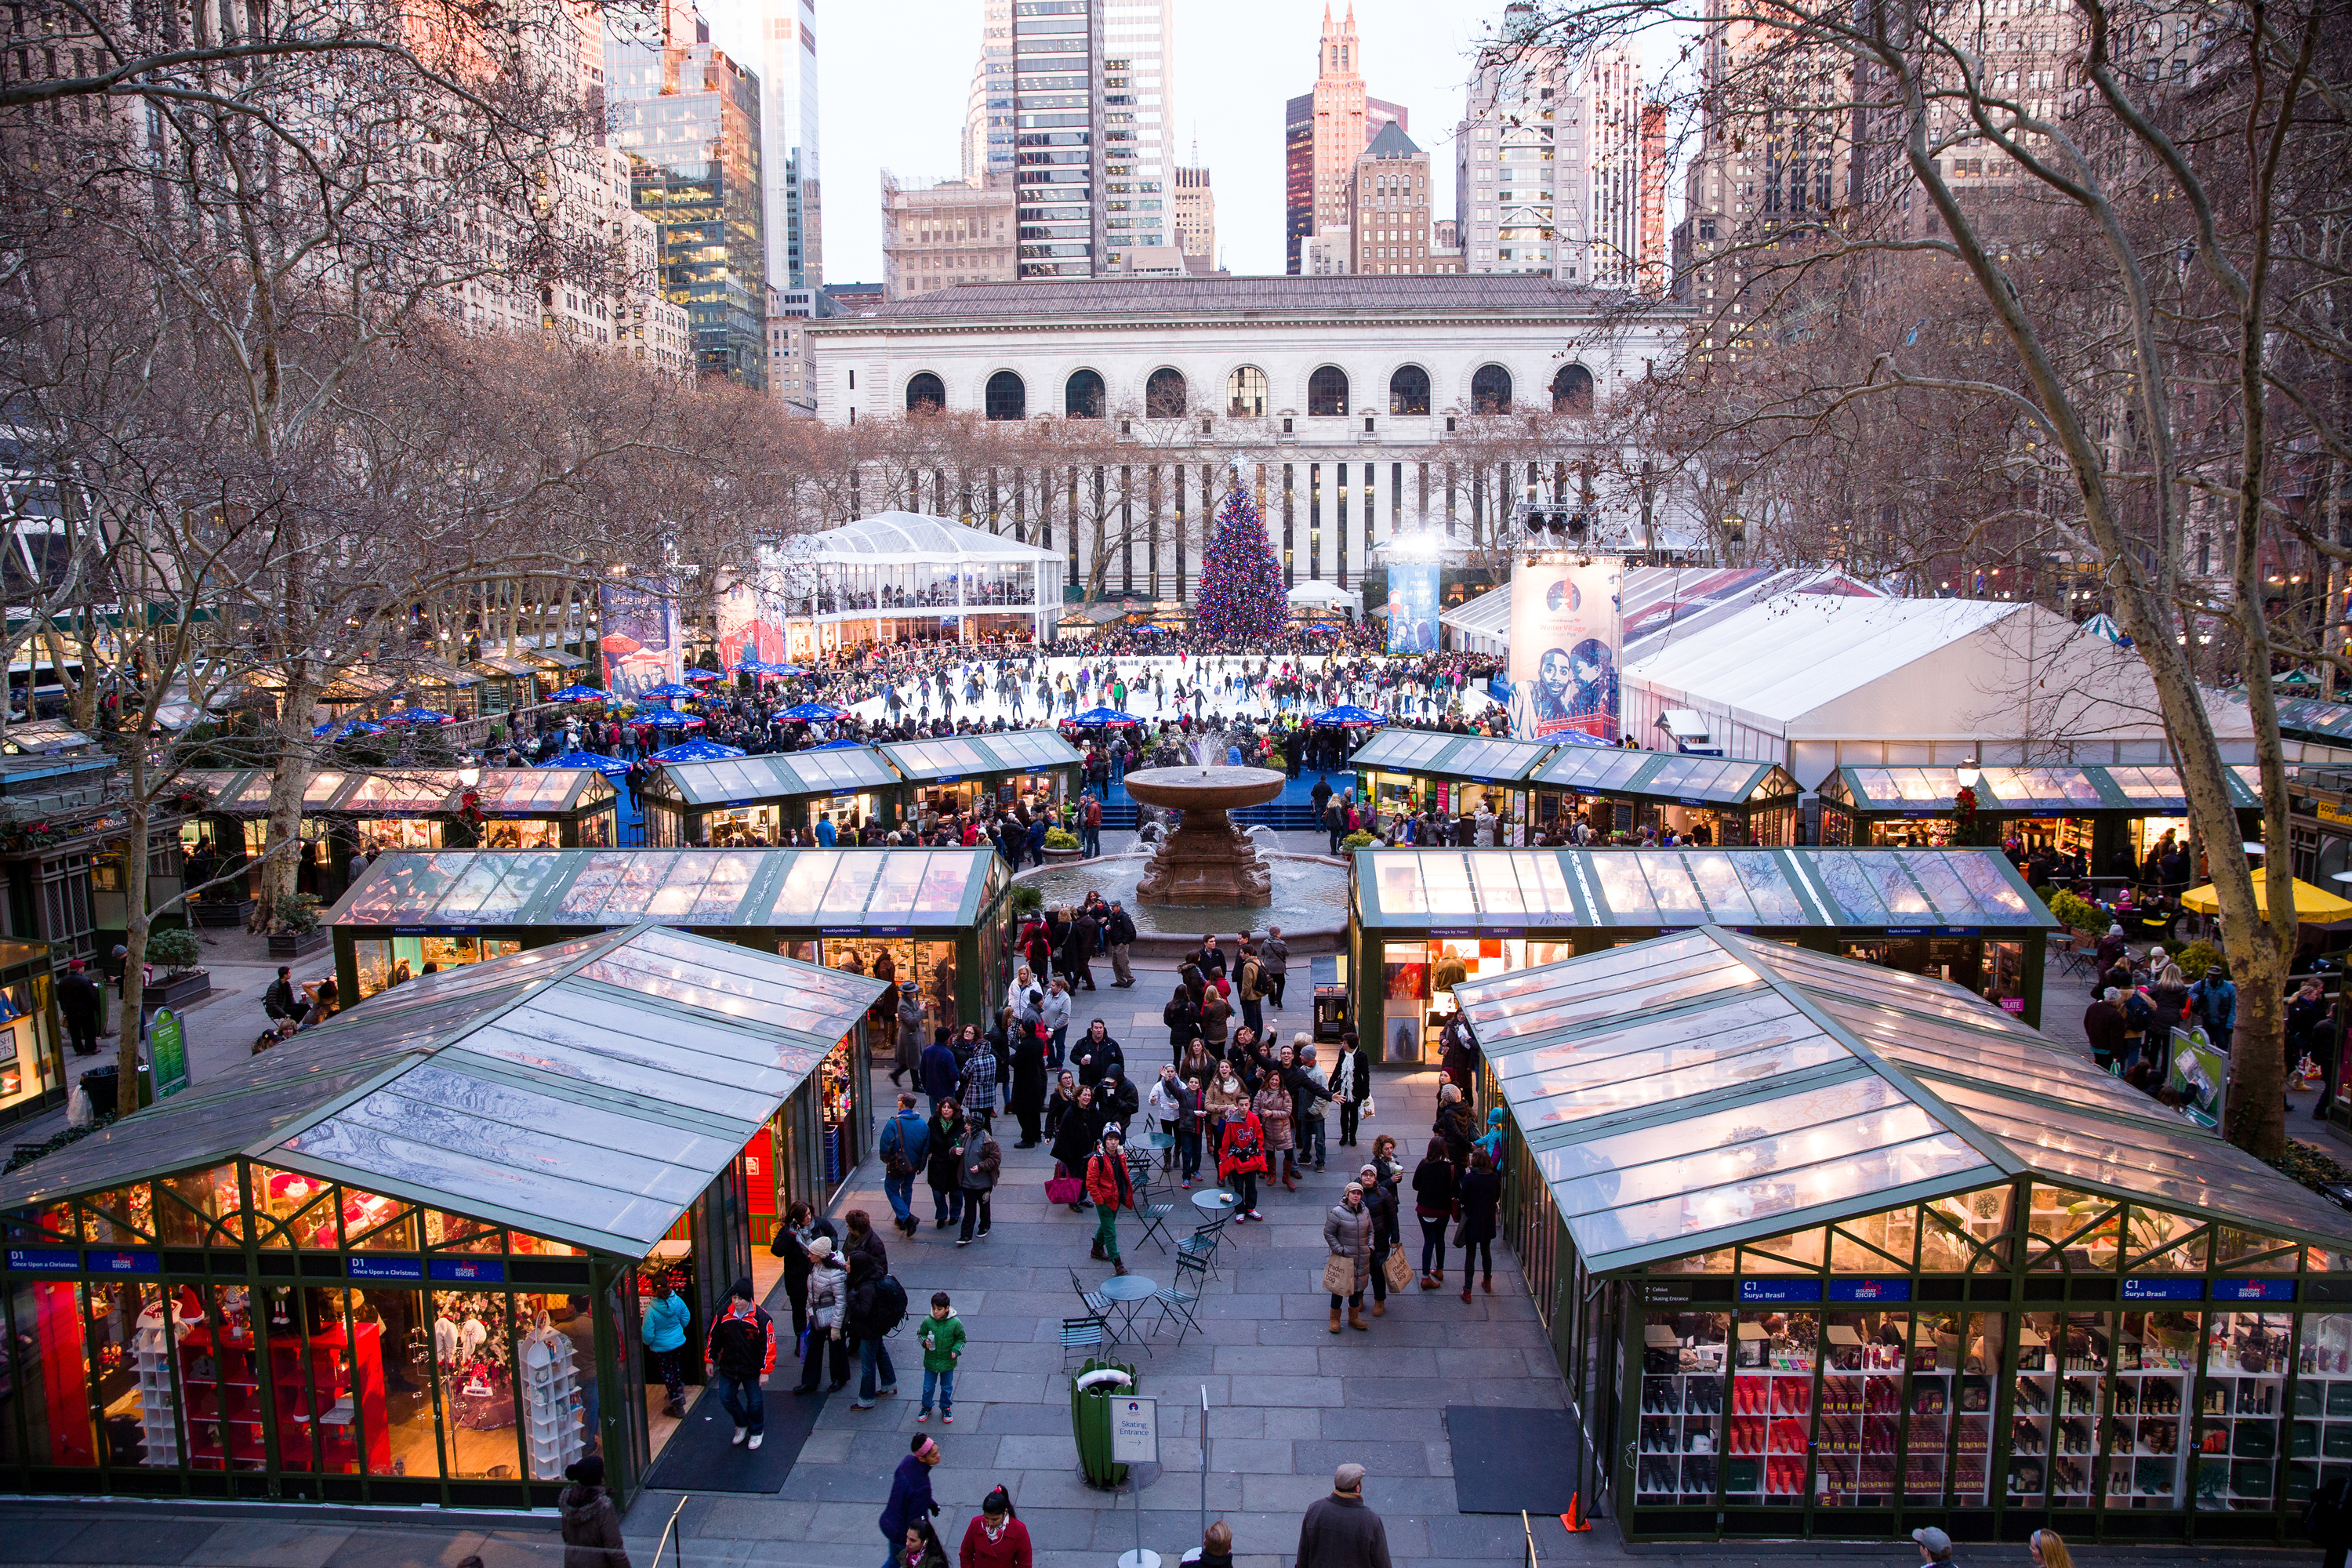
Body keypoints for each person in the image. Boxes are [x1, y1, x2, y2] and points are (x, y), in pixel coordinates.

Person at [704, 1276, 776, 1450]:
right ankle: (742, 1424)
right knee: (726, 1397)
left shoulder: (761, 1318)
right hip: (729, 1367)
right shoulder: (723, 1315)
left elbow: (769, 1345)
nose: (736, 1302)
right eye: (734, 1298)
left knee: (755, 1402)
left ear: (749, 1298)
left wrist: (765, 1370)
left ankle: (757, 1431)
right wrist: (710, 1359)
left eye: (741, 1299)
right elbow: (713, 1338)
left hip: (752, 1369)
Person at [844, 1211, 898, 1410]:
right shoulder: (864, 1275)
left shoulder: (865, 1286)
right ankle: (889, 1383)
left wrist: (851, 1296)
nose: (846, 1264)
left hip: (870, 1325)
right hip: (874, 1324)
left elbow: (863, 1311)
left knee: (868, 1364)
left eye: (849, 1263)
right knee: (879, 1351)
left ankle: (866, 1399)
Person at [1295, 1463, 1392, 1568]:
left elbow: (1303, 1553)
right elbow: (1382, 1563)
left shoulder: (1315, 1509)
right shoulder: (1371, 1520)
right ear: (1357, 1488)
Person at [791, 1236, 851, 1394]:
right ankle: (810, 1381)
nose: (809, 1256)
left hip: (831, 1317)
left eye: (812, 1254)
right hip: (818, 1315)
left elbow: (841, 1301)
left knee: (836, 1348)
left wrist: (836, 1327)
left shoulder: (835, 1274)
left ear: (821, 1256)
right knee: (814, 1347)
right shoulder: (816, 1266)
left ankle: (839, 1378)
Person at [880, 1436, 944, 1568]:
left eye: (937, 1451)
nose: (938, 1456)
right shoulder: (922, 1484)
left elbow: (909, 1493)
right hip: (903, 1534)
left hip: (891, 1523)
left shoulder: (907, 1462)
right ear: (921, 1458)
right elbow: (916, 1520)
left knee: (894, 1560)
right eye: (933, 1455)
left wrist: (929, 1502)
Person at [559, 1454, 630, 1568]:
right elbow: (614, 1549)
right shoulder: (603, 1506)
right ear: (599, 1477)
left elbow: (565, 1536)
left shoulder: (568, 1500)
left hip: (572, 1563)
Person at [1323, 1181, 1374, 1333]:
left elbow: (1371, 1231)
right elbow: (1328, 1232)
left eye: (1359, 1194)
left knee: (1357, 1289)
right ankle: (1334, 1320)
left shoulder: (1365, 1212)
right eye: (1354, 1194)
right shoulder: (1337, 1212)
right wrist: (1339, 1249)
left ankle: (1353, 1318)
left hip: (1362, 1258)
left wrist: (1370, 1246)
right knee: (1339, 1289)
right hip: (1344, 1258)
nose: (1356, 1197)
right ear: (1347, 1195)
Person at [641, 1269, 691, 1419]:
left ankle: (677, 1405)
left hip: (661, 1347)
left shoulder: (651, 1310)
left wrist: (650, 1342)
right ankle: (680, 1391)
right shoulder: (677, 1301)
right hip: (677, 1342)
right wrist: (678, 1330)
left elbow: (648, 1333)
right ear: (668, 1285)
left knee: (667, 1372)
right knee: (675, 1365)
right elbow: (686, 1316)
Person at [880, 1093, 932, 1239]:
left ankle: (907, 1218)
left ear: (901, 1104)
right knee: (907, 1189)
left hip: (897, 1165)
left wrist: (887, 1159)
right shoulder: (922, 1124)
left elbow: (885, 1146)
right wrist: (920, 1167)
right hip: (912, 1165)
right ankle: (902, 1219)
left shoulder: (893, 1123)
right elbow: (925, 1149)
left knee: (891, 1189)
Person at [1087, 1129, 1137, 1275]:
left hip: (1116, 1198)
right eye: (1109, 1139)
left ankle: (1096, 1249)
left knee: (1106, 1225)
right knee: (1110, 1232)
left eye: (1115, 1139)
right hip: (1104, 1201)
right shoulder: (1097, 1160)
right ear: (1104, 1141)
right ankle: (1118, 1263)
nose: (1113, 1142)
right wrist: (1100, 1201)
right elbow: (1091, 1184)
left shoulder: (1119, 1155)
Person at [1455, 1148, 1501, 1301]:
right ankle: (1487, 1282)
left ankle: (1467, 1290)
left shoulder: (1469, 1178)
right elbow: (1497, 1196)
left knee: (1471, 1254)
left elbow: (1462, 1198)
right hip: (1487, 1220)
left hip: (1472, 1220)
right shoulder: (1494, 1177)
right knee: (1486, 1251)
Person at [1218, 1093, 1269, 1222]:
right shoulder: (1231, 1121)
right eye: (1241, 1105)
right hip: (1237, 1159)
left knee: (1252, 1186)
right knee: (1238, 1187)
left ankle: (1251, 1208)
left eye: (1246, 1105)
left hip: (1251, 1158)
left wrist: (1260, 1154)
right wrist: (1224, 1158)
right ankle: (1240, 1211)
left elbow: (1260, 1137)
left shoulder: (1255, 1119)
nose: (1244, 1107)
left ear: (1250, 1105)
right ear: (1237, 1105)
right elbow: (1226, 1141)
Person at [1357, 1159, 1398, 1317]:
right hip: (1359, 1241)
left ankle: (1379, 1300)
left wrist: (1395, 1239)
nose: (1368, 1178)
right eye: (1365, 1175)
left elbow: (1393, 1218)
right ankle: (1358, 1298)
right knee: (1360, 1272)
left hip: (1379, 1241)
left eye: (1370, 1175)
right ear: (1361, 1177)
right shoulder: (1354, 1192)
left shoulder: (1384, 1194)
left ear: (1375, 1178)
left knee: (1378, 1273)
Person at [1412, 1142, 1455, 1290]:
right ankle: (1440, 1270)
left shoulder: (1423, 1164)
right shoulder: (1449, 1168)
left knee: (1428, 1241)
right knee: (1440, 1239)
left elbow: (1415, 1185)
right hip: (1443, 1211)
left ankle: (1425, 1277)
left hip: (1424, 1210)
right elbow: (1455, 1190)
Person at [916, 1291, 965, 1422]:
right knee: (928, 1386)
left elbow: (961, 1339)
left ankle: (946, 1407)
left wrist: (956, 1350)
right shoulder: (928, 1321)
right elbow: (920, 1334)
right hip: (931, 1361)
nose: (936, 1312)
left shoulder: (955, 1323)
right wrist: (924, 1341)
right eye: (934, 1309)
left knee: (946, 1386)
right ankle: (926, 1406)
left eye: (939, 1309)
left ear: (947, 1308)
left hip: (948, 1362)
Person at [960, 1486, 1031, 1568]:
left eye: (995, 1519)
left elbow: (1025, 1564)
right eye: (986, 1518)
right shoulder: (975, 1524)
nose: (990, 1523)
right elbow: (965, 1554)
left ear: (1005, 1512)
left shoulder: (1019, 1529)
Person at [925, 1098, 968, 1233]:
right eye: (944, 1107)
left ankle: (955, 1214)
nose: (946, 1110)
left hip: (954, 1162)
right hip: (938, 1163)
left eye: (949, 1107)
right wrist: (929, 1153)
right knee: (937, 1192)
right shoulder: (934, 1121)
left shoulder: (961, 1122)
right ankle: (941, 1216)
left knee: (956, 1191)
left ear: (954, 1110)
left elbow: (966, 1140)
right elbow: (928, 1138)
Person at [958, 1118, 1000, 1244]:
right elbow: (953, 1152)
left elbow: (996, 1159)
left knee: (984, 1205)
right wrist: (954, 1151)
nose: (966, 1126)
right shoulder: (963, 1138)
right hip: (967, 1181)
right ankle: (966, 1235)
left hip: (984, 1183)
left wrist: (981, 1166)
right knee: (969, 1208)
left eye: (969, 1124)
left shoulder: (989, 1142)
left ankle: (985, 1225)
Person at [1331, 1033, 1370, 1148]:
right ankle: (1344, 1135)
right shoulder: (1342, 1053)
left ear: (1351, 1044)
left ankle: (1352, 1135)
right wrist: (1330, 1083)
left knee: (1353, 1115)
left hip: (1355, 1090)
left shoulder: (1361, 1056)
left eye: (1345, 1043)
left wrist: (1365, 1090)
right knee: (1343, 1114)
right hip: (1343, 1089)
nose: (1343, 1045)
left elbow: (1365, 1075)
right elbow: (1338, 1068)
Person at [2191, 963, 2238, 1054]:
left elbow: (2233, 1007)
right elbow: (2191, 991)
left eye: (2214, 975)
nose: (2211, 977)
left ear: (2220, 976)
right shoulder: (2202, 984)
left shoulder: (2229, 988)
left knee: (2222, 1048)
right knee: (2206, 1046)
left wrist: (2230, 1025)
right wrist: (2198, 998)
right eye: (2210, 975)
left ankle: (2220, 1067)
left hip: (2222, 1022)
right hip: (2207, 1020)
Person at [2082, 987, 2125, 1073]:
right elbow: (2116, 1037)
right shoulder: (2115, 1015)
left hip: (2095, 1044)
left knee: (2098, 1064)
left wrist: (2091, 1036)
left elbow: (2086, 1023)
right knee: (2106, 1069)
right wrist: (2116, 1054)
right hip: (2107, 1048)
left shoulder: (2093, 1007)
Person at [922, 1027, 961, 1115]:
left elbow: (922, 1071)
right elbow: (954, 1075)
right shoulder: (948, 1054)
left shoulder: (927, 1051)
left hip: (932, 1090)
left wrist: (926, 1086)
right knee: (949, 1114)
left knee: (935, 1114)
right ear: (947, 1039)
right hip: (947, 1090)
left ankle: (936, 1128)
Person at [1073, 1019, 1123, 1087]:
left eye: (1101, 1028)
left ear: (1104, 1028)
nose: (1099, 1030)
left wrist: (1118, 1078)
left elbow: (1120, 1062)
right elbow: (1073, 1055)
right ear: (1091, 1029)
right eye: (1096, 1028)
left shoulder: (1112, 1044)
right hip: (1087, 1081)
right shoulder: (1082, 1043)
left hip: (1106, 1082)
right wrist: (1080, 1060)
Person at [1106, 901, 1138, 987]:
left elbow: (1129, 931)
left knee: (1123, 963)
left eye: (1114, 906)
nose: (1112, 908)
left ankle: (1130, 979)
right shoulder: (1113, 916)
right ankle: (1120, 980)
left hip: (1121, 944)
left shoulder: (1124, 917)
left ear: (1119, 907)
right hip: (1115, 942)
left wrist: (1124, 941)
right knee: (1115, 963)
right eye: (1111, 906)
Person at [1262, 927, 1290, 1012]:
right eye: (1279, 932)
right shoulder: (1281, 943)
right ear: (1277, 934)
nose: (1280, 934)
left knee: (1270, 983)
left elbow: (1262, 952)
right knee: (1281, 983)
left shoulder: (1265, 942)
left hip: (1268, 968)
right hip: (1278, 968)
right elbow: (1287, 953)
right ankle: (1278, 1000)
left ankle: (1271, 1001)